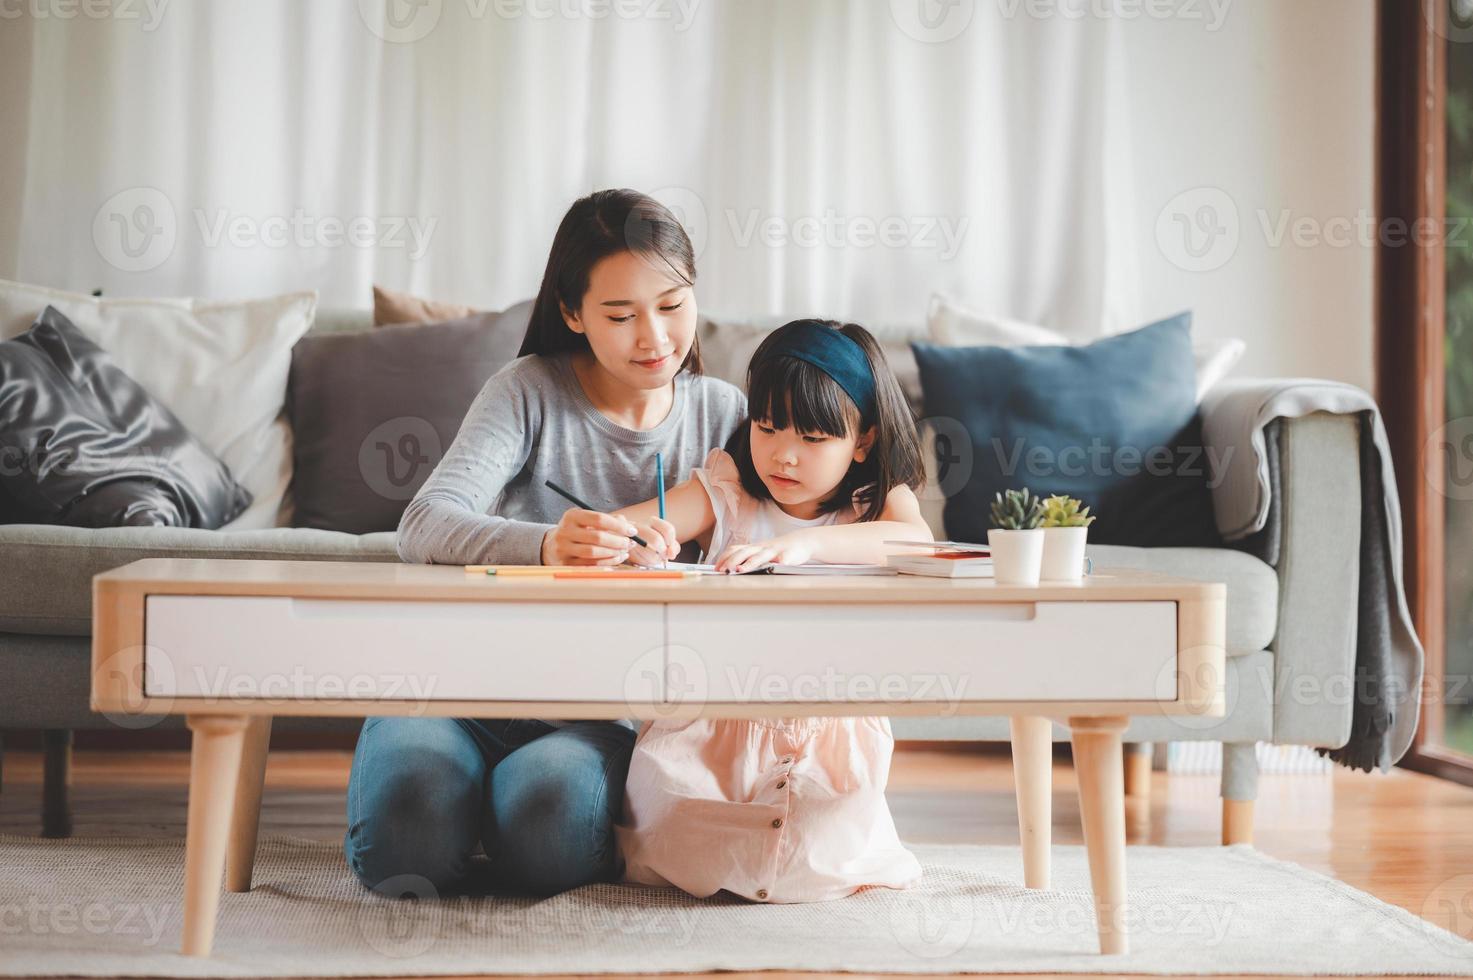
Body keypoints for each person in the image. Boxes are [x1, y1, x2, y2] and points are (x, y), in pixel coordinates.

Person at [344, 189, 746, 896]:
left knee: (549, 840)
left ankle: (490, 807)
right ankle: (447, 798)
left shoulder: (725, 416)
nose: (653, 337)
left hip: (597, 713)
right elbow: (423, 523)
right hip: (453, 689)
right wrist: (544, 548)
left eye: (672, 306)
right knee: (404, 852)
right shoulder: (526, 391)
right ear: (572, 313)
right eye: (620, 316)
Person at [611, 318, 933, 902]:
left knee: (822, 846)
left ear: (862, 441)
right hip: (712, 721)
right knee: (672, 830)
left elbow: (915, 541)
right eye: (766, 427)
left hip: (827, 733)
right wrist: (641, 542)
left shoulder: (874, 504)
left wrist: (804, 546)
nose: (783, 456)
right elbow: (622, 530)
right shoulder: (730, 490)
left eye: (812, 439)